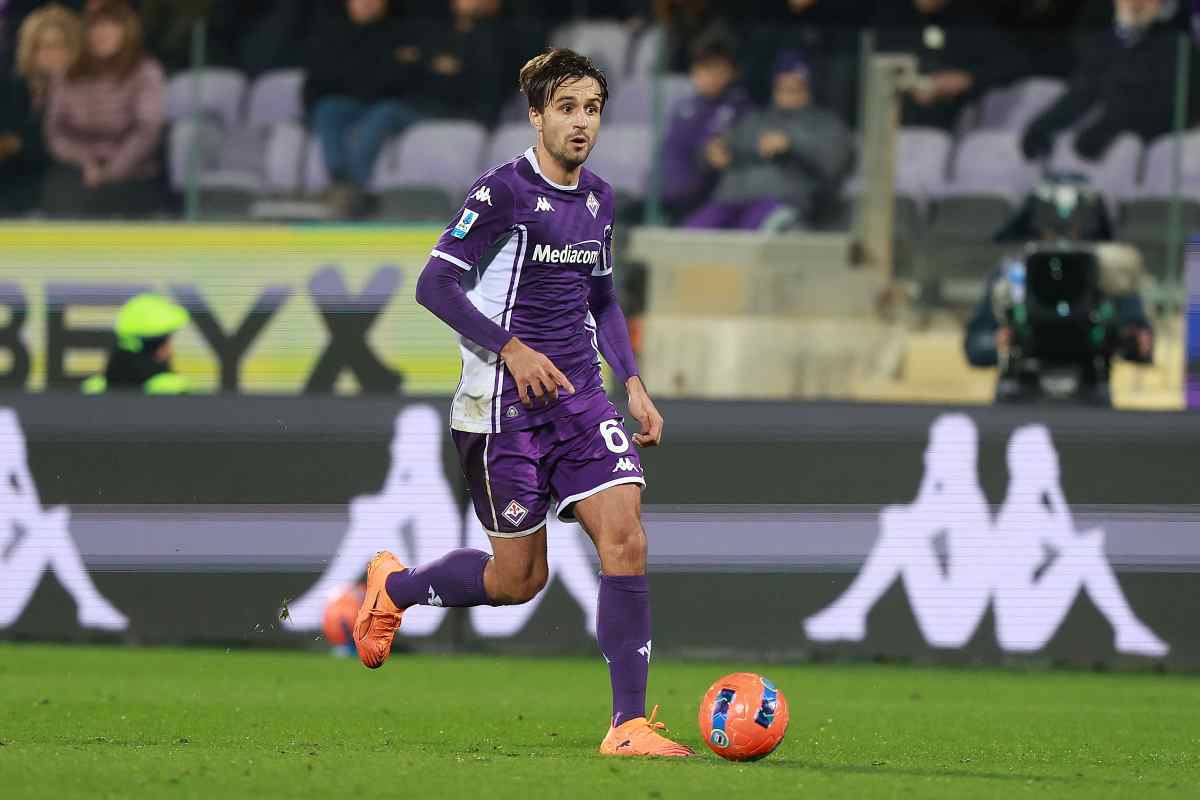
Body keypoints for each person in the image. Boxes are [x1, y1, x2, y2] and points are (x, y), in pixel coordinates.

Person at [355, 48, 692, 758]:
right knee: (517, 582)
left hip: (581, 401)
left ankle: (626, 726)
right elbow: (434, 285)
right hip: (499, 407)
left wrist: (630, 381)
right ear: (536, 115)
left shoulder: (599, 198)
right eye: (566, 108)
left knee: (626, 538)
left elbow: (600, 297)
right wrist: (510, 347)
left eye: (592, 108)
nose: (581, 122)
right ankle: (398, 588)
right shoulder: (501, 192)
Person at [683, 51, 850, 231]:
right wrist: (710, 153)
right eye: (782, 87)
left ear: (810, 88)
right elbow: (718, 150)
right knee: (688, 237)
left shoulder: (826, 123)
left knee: (763, 235)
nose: (788, 93)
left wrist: (792, 145)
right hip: (730, 202)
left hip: (782, 202)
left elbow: (834, 165)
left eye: (796, 87)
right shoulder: (754, 119)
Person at [41, 0, 167, 219]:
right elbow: (56, 130)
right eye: (95, 26)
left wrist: (111, 171)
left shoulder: (146, 71)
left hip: (133, 173)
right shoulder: (68, 73)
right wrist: (85, 162)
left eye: (110, 26)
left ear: (126, 31)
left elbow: (148, 130)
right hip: (77, 170)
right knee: (59, 196)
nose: (101, 33)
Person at [303, 0, 423, 219]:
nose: (367, 3)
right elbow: (317, 82)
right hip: (352, 104)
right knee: (327, 109)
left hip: (395, 106)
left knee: (382, 114)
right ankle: (340, 180)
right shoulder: (333, 34)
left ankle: (354, 189)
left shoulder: (403, 32)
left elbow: (408, 81)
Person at [1021, 0, 1182, 162]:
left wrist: (1106, 128)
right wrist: (1042, 129)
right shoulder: (1108, 39)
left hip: (1159, 139)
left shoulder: (1174, 43)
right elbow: (1086, 90)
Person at [658, 29, 752, 221]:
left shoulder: (739, 107)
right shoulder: (683, 107)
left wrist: (714, 152)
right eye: (705, 68)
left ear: (732, 72)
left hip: (709, 197)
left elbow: (723, 153)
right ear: (694, 72)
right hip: (669, 195)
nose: (712, 75)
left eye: (718, 68)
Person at [1, 3, 80, 215]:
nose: (51, 54)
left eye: (59, 46)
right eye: (42, 46)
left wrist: (18, 144)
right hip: (13, 182)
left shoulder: (84, 90)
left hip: (63, 181)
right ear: (30, 49)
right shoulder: (13, 88)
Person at [82, 293, 191, 395]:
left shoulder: (93, 388)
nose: (171, 351)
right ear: (160, 347)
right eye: (169, 340)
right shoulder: (174, 390)